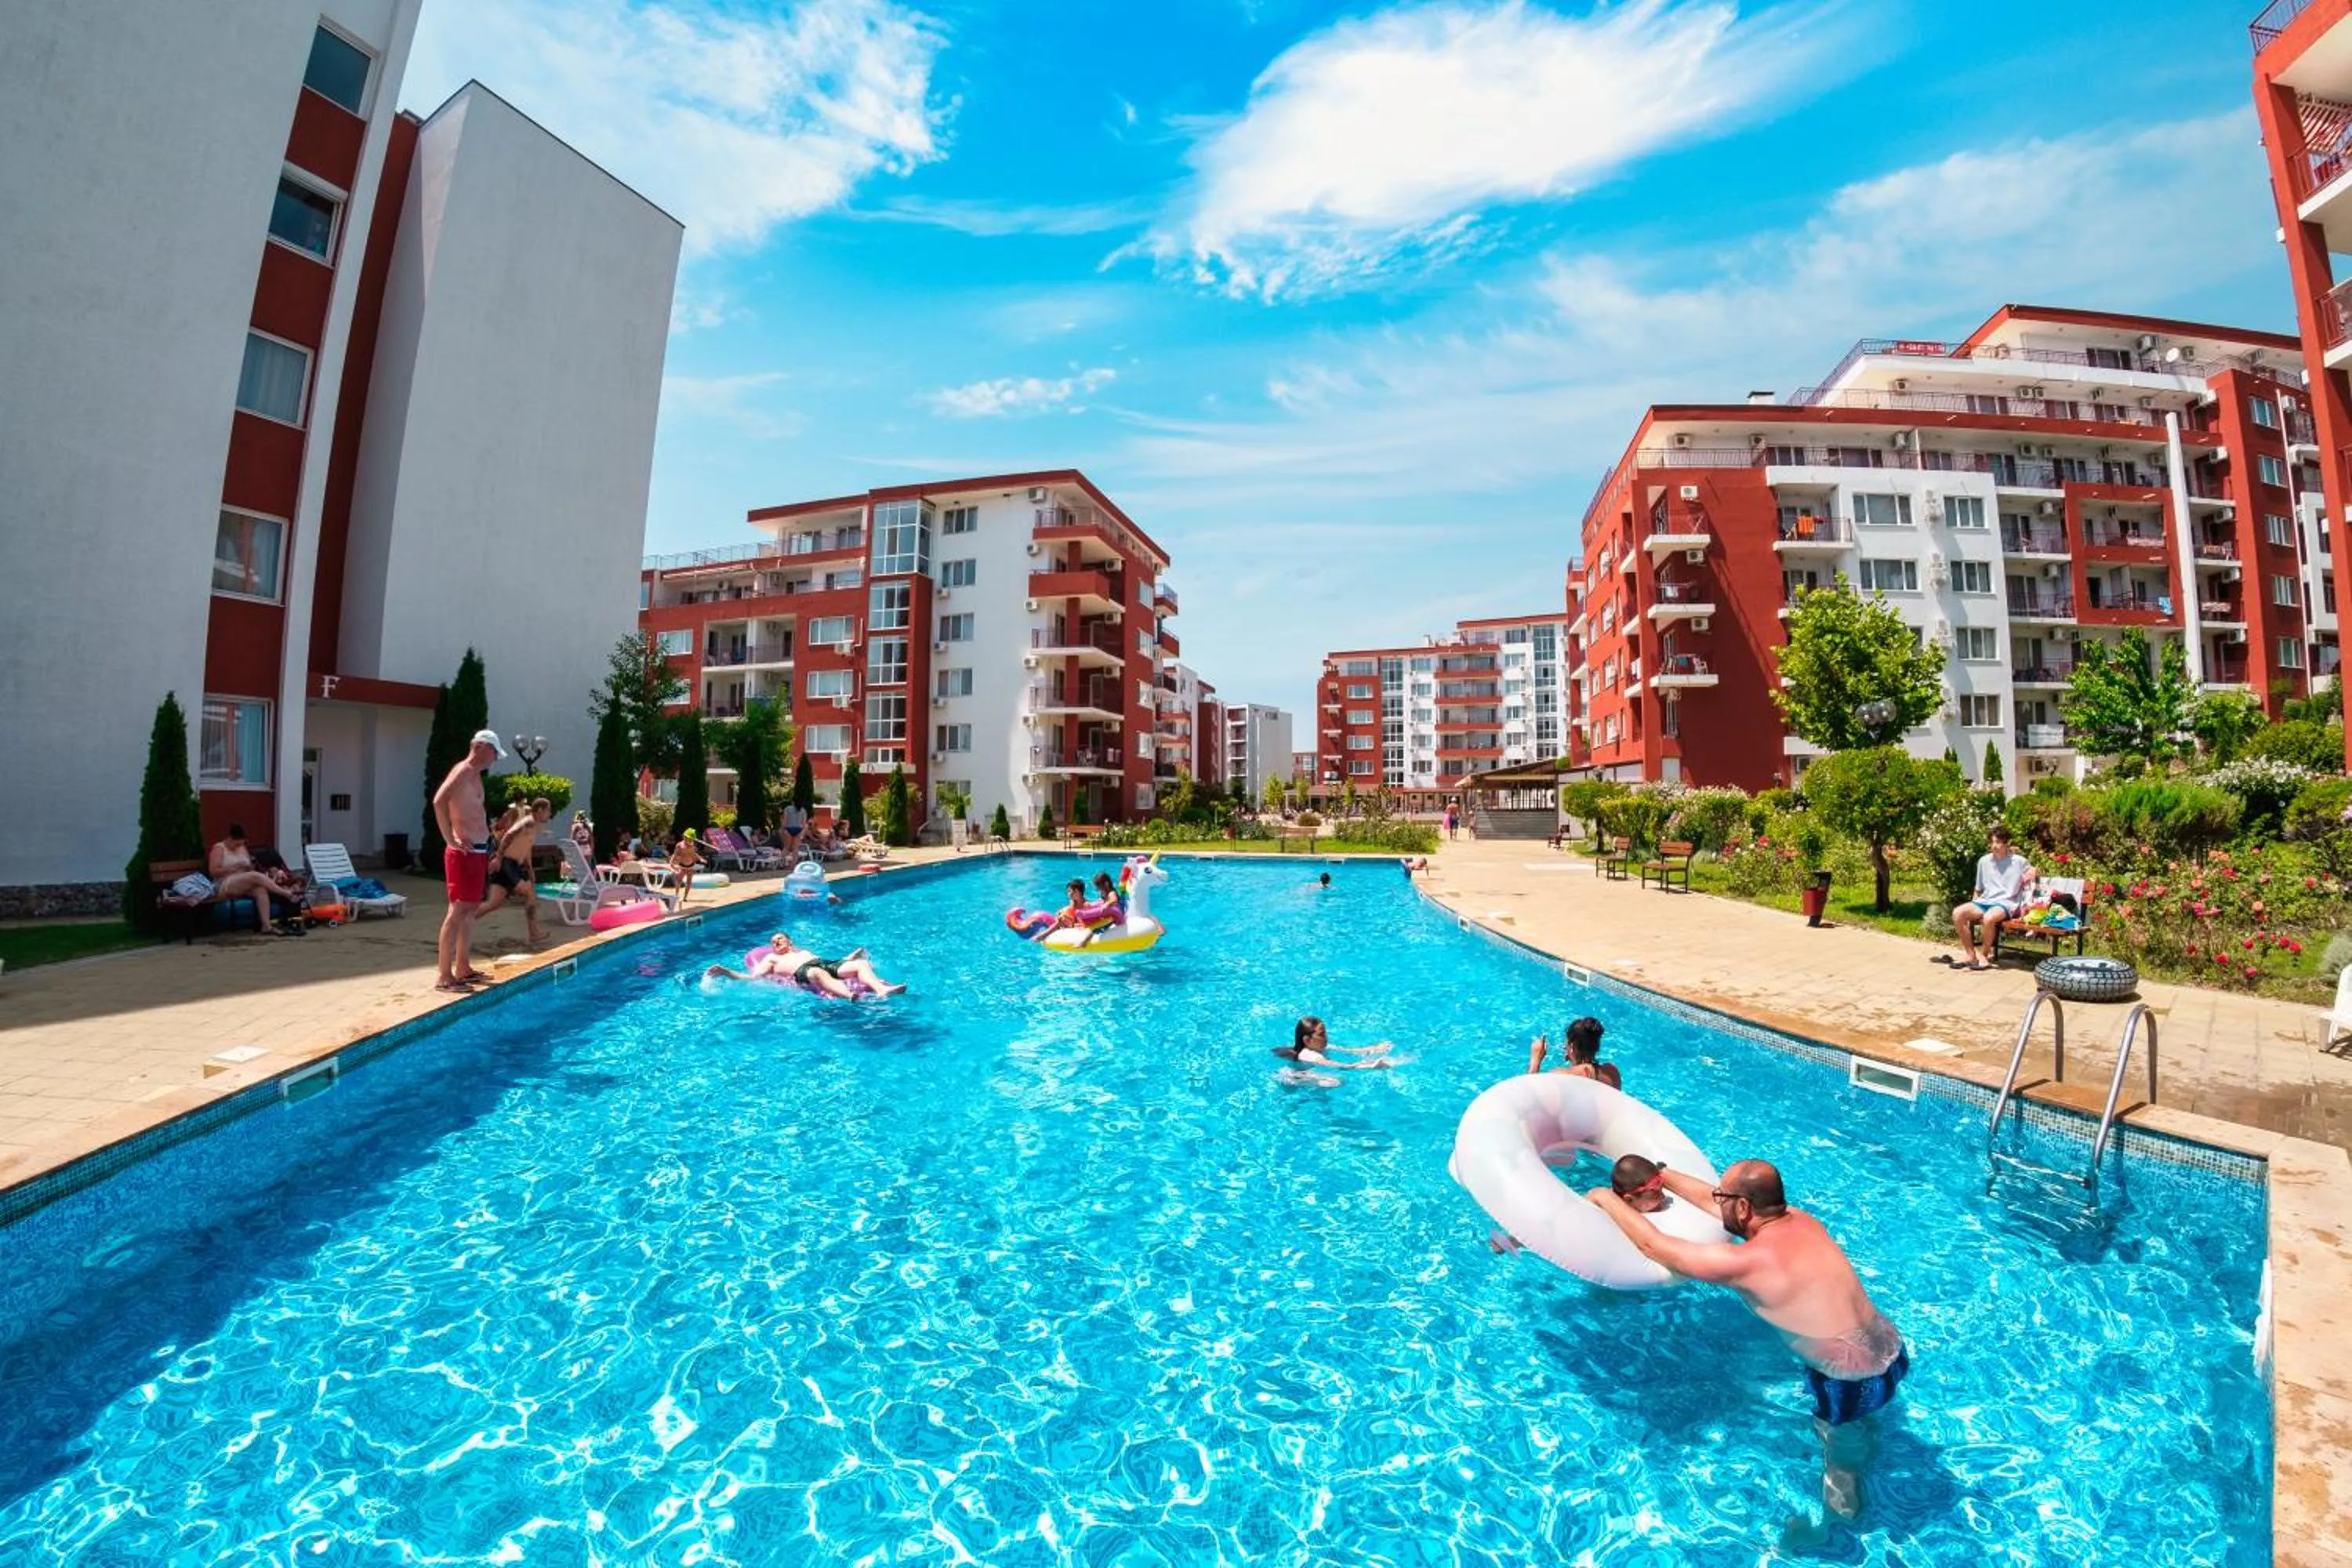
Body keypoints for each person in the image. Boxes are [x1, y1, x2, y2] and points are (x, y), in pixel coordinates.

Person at [1587, 1160, 1907, 1521]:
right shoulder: (1803, 1221)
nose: (1716, 1200)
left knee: (1840, 1461)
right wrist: (1664, 1177)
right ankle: (1867, 1425)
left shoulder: (1747, 1263)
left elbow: (1653, 1245)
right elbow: (1714, 1202)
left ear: (1742, 1207)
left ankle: (1837, 1531)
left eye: (1724, 1196)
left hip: (1850, 1383)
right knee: (1861, 1420)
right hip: (1894, 1353)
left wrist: (1603, 1197)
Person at [433, 729, 503, 991]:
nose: (495, 759)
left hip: (477, 851)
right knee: (457, 911)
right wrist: (450, 838)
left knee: (470, 910)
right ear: (483, 747)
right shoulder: (462, 770)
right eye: (495, 752)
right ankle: (443, 975)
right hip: (462, 853)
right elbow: (439, 802)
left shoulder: (474, 775)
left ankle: (462, 967)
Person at [704, 931, 905, 999]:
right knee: (816, 972)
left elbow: (833, 964)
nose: (776, 943)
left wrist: (851, 956)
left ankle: (881, 990)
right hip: (804, 973)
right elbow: (751, 978)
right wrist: (725, 971)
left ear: (790, 941)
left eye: (780, 939)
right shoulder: (772, 959)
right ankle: (850, 996)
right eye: (773, 942)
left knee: (860, 963)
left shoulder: (804, 952)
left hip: (823, 964)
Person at [1951, 826, 2035, 972]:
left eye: (1997, 842)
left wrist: (2033, 871)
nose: (1993, 846)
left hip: (2007, 903)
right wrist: (1973, 904)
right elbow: (1978, 888)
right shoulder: (1984, 861)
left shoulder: (2019, 861)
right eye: (1991, 842)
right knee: (1958, 913)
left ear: (2006, 843)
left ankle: (1984, 956)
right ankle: (1970, 955)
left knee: (1989, 918)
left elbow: (2034, 871)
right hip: (1985, 900)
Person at [203, 823, 307, 928]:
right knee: (255, 876)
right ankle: (286, 894)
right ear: (230, 839)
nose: (238, 847)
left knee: (260, 889)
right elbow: (214, 871)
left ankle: (266, 925)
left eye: (241, 844)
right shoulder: (219, 848)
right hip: (225, 882)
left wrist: (249, 867)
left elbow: (250, 867)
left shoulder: (242, 848)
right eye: (236, 844)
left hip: (244, 880)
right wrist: (235, 868)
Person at [480, 797, 551, 946]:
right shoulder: (527, 822)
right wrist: (498, 858)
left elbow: (526, 848)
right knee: (530, 893)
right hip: (507, 864)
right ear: (540, 811)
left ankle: (462, 924)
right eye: (548, 811)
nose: (549, 814)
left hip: (512, 865)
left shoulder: (534, 825)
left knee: (493, 903)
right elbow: (508, 835)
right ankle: (534, 933)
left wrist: (530, 869)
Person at [1526, 1016, 1621, 1089]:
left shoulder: (1560, 1076)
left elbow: (1529, 1096)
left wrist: (1536, 1060)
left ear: (1571, 1046)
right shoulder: (1612, 1072)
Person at [1273, 1016, 1392, 1070]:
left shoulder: (1321, 1046)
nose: (1326, 1038)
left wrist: (1375, 1048)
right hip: (1295, 1077)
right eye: (1321, 1035)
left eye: (1325, 1033)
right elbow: (1335, 1065)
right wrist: (1369, 1065)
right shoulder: (1307, 1054)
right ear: (1307, 1040)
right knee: (1334, 1082)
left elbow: (1350, 1051)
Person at [670, 829, 706, 903]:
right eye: (688, 838)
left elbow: (694, 854)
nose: (689, 840)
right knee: (678, 881)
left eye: (691, 839)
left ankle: (685, 897)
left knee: (689, 882)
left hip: (690, 866)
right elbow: (675, 854)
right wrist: (671, 862)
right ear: (684, 837)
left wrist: (701, 859)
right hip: (682, 866)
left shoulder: (692, 845)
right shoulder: (679, 845)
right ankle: (676, 895)